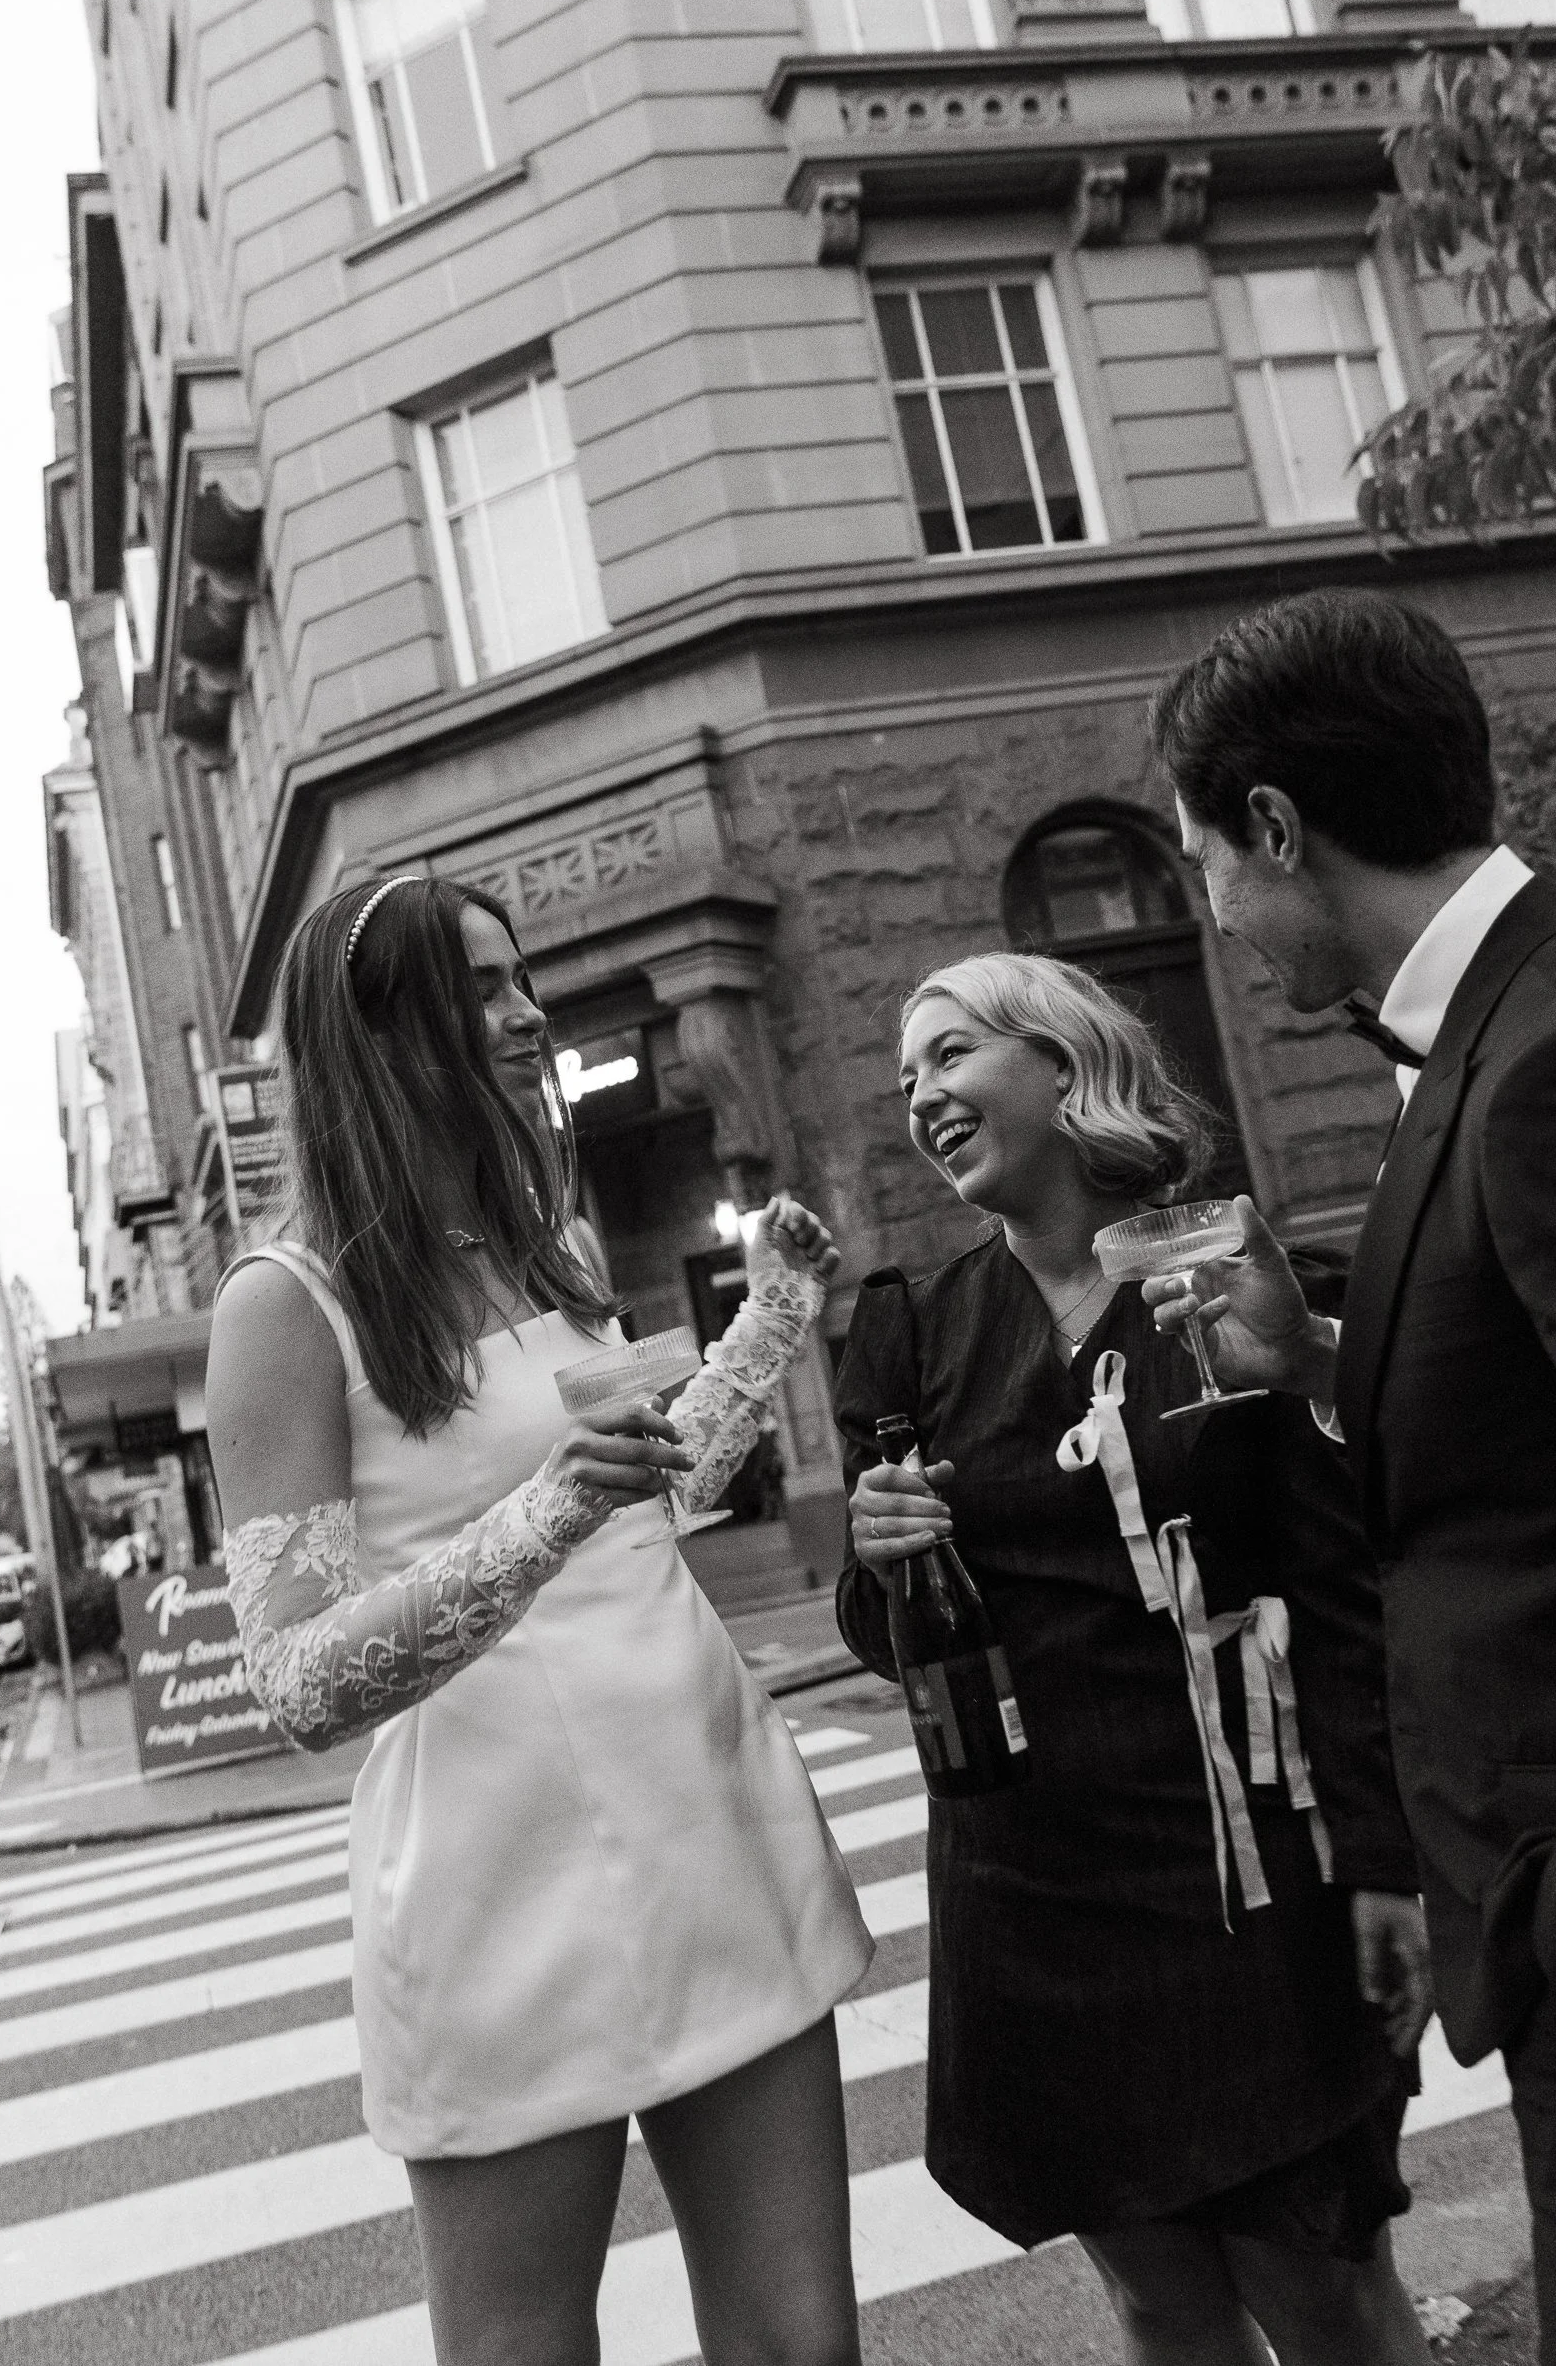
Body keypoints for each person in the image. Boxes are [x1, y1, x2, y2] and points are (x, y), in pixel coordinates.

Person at [206, 874, 873, 2366]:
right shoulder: (284, 1305)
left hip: (707, 1816)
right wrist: (540, 1515)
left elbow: (638, 1491)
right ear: (379, 1036)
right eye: (487, 989)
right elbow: (298, 1676)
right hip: (499, 1887)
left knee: (802, 2346)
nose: (526, 1016)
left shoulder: (545, 1239)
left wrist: (770, 1317)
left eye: (523, 985)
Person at [1146, 587, 1556, 2366]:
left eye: (1205, 862)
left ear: (1282, 830)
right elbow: (1539, 1440)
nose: (1214, 918)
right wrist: (1318, 1371)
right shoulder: (1489, 1028)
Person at [834, 949, 1434, 2366]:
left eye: (952, 1055)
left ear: (1062, 1063)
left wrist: (1379, 1852)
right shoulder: (916, 1331)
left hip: (1252, 1867)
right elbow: (903, 1642)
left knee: (1321, 2288)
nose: (921, 1095)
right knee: (1159, 2302)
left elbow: (1339, 1584)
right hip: (1042, 1893)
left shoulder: (1215, 1274)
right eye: (906, 1075)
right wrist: (881, 1559)